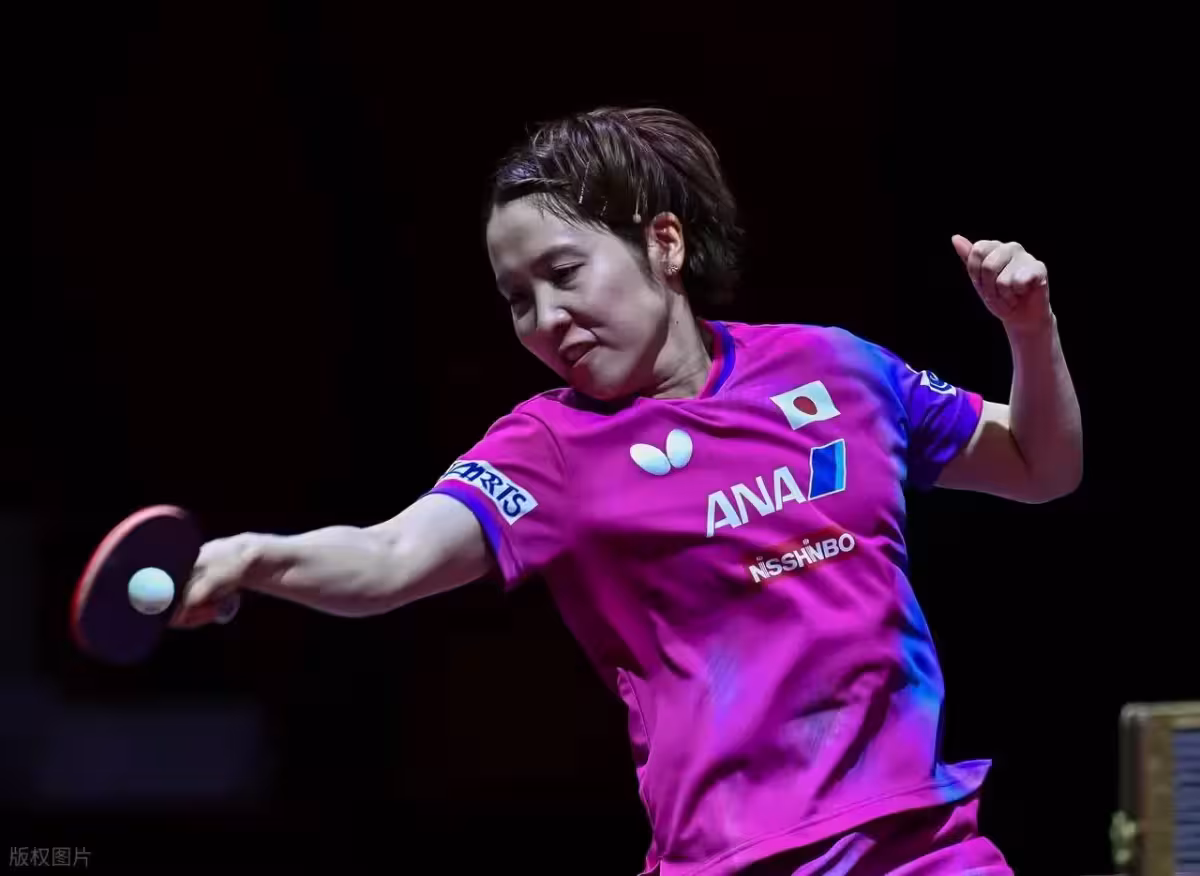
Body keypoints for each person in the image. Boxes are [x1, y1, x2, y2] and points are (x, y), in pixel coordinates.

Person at [173, 107, 1082, 875]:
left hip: (922, 843)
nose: (545, 319)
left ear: (664, 242)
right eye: (517, 298)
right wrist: (255, 557)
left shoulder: (835, 367)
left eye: (564, 273)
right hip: (733, 860)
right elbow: (391, 556)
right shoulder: (551, 448)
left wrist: (1029, 331)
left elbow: (1041, 467)